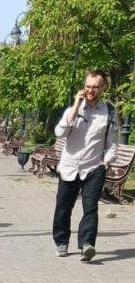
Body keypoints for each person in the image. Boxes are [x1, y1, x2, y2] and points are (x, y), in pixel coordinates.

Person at [52, 69, 117, 262]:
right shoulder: (73, 110)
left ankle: (87, 244)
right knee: (63, 207)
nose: (91, 90)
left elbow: (111, 143)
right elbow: (60, 133)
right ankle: (62, 242)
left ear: (103, 88)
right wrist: (75, 106)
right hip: (70, 166)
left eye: (95, 87)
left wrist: (106, 161)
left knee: (90, 207)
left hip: (94, 167)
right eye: (88, 86)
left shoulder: (109, 112)